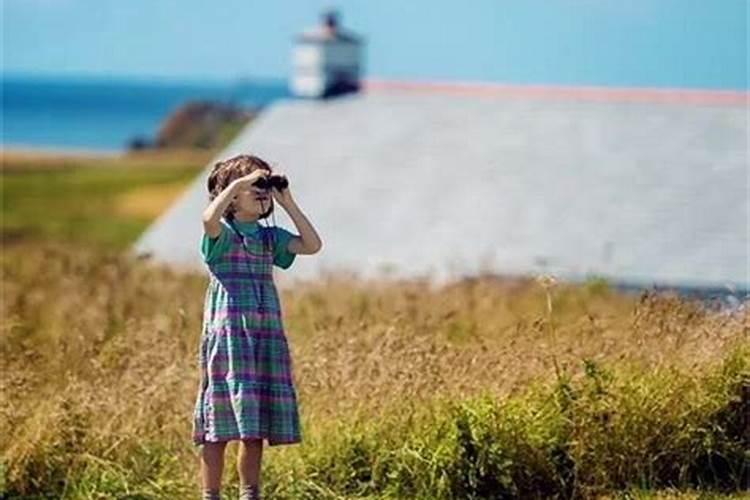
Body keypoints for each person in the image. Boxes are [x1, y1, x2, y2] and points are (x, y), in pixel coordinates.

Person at [192, 154, 322, 500]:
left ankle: (250, 493)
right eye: (255, 187)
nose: (261, 192)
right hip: (230, 338)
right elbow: (208, 218)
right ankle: (211, 494)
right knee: (217, 424)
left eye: (263, 186)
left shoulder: (270, 238)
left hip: (263, 337)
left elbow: (312, 245)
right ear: (232, 197)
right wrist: (235, 184)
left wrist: (287, 200)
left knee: (253, 426)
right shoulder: (223, 234)